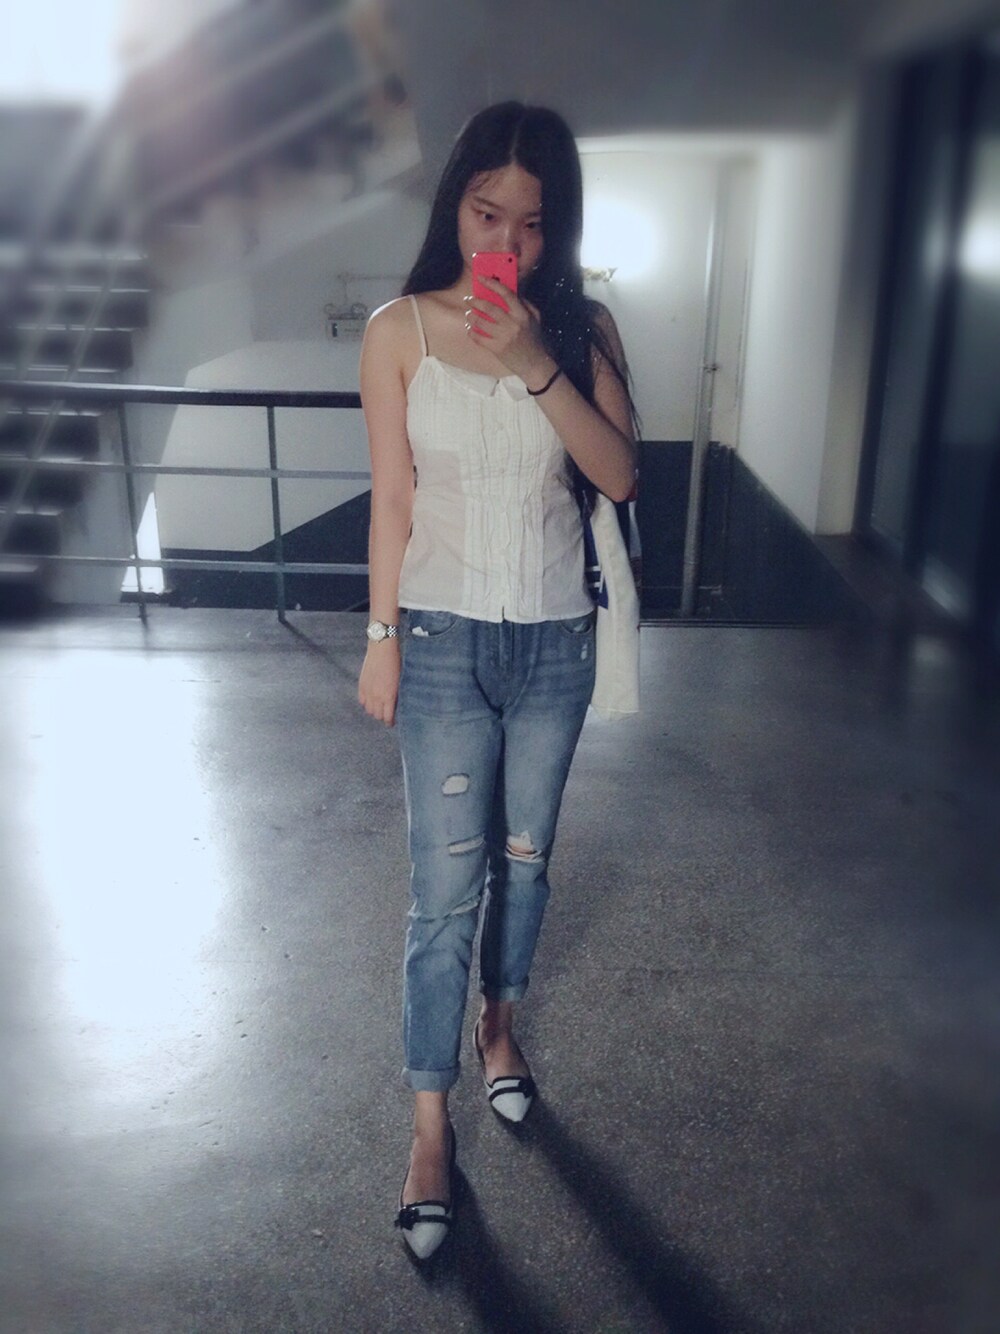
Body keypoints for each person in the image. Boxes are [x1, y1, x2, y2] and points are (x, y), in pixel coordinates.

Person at [357, 101, 637, 1260]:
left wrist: (535, 361)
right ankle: (430, 1130)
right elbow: (392, 496)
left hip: (554, 642)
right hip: (438, 638)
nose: (506, 242)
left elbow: (617, 473)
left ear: (554, 228)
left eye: (530, 222)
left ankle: (500, 1027)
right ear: (456, 207)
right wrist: (379, 632)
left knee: (526, 861)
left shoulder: (582, 327)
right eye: (486, 214)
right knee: (441, 894)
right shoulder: (400, 329)